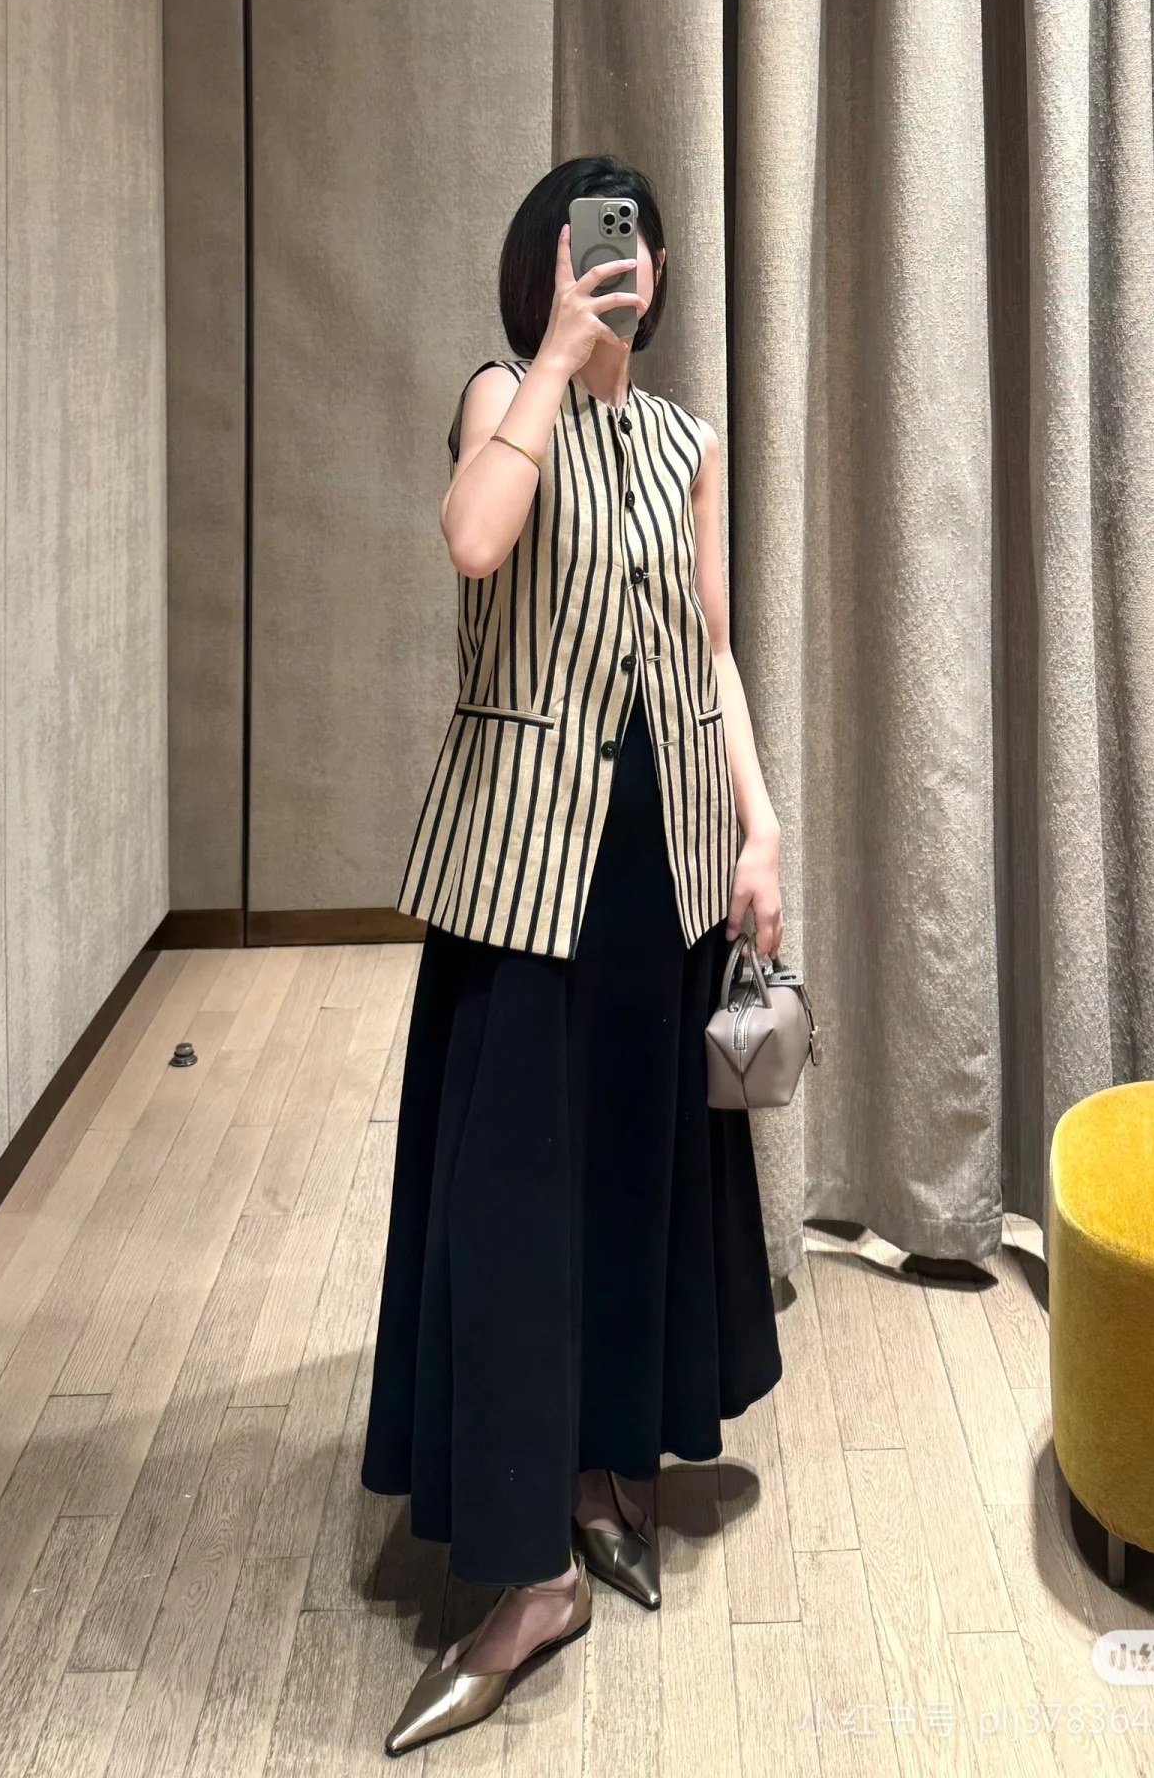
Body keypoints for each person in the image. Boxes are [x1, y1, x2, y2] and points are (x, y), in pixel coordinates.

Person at [360, 154, 785, 1757]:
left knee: (628, 1179)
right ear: (543, 265)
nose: (622, 265)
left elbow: (710, 652)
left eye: (638, 246)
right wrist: (546, 359)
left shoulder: (688, 444)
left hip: (661, 860)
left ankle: (608, 1473)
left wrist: (759, 827)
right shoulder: (499, 394)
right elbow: (476, 541)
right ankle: (529, 1573)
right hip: (524, 868)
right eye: (590, 243)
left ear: (659, 275)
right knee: (511, 1209)